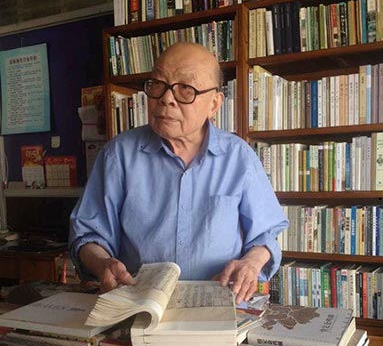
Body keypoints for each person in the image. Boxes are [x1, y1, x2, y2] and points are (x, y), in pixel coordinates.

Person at [69, 42, 288, 304]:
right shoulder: (119, 155)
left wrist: (250, 264)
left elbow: (265, 236)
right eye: (158, 84)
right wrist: (102, 263)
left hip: (220, 303)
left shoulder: (238, 157)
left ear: (214, 104)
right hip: (139, 305)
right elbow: (88, 235)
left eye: (185, 89)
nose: (166, 98)